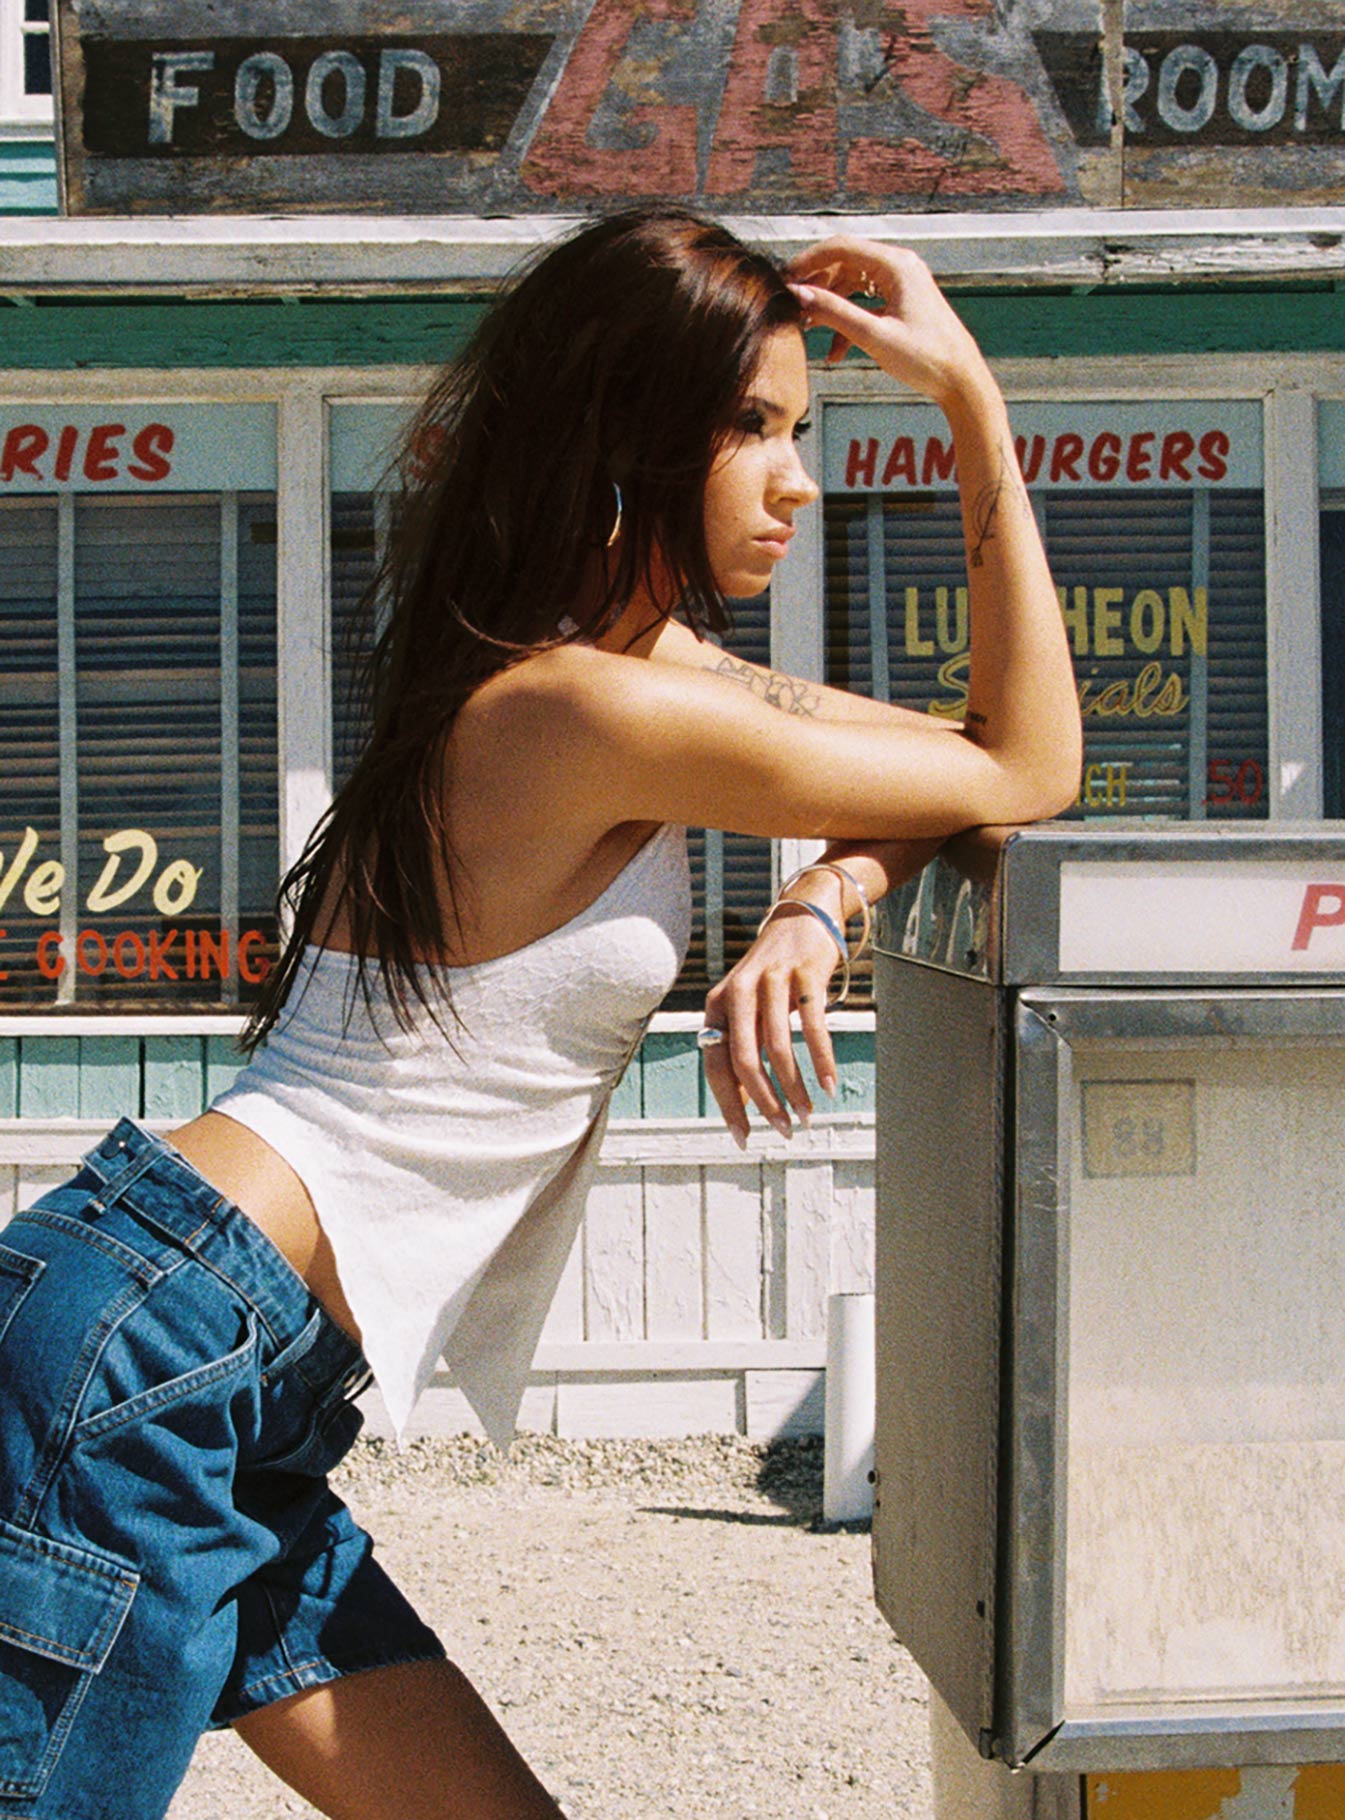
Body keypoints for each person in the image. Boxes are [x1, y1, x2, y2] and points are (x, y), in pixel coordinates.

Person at [0, 208, 1080, 1820]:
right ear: (625, 431)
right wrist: (972, 405)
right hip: (155, 1340)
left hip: (232, 1365)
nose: (796, 481)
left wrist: (820, 895)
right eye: (753, 428)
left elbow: (976, 770)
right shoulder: (584, 705)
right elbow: (1023, 763)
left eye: (800, 431)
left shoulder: (617, 676)